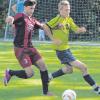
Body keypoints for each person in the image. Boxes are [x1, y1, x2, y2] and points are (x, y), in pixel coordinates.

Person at [43, 0, 100, 94]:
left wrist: (81, 30)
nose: (68, 11)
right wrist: (53, 39)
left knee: (68, 70)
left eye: (69, 9)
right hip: (61, 51)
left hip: (67, 49)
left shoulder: (69, 19)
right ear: (60, 10)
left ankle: (49, 77)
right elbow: (45, 26)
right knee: (83, 67)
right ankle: (96, 88)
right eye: (66, 10)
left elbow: (76, 30)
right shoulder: (57, 19)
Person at [4, 0, 53, 96]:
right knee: (30, 74)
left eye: (34, 8)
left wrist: (56, 26)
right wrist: (9, 19)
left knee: (43, 66)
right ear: (25, 7)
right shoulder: (20, 16)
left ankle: (46, 92)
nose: (32, 10)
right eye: (31, 8)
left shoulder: (32, 20)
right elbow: (12, 19)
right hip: (21, 49)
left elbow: (43, 26)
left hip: (31, 48)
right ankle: (10, 72)